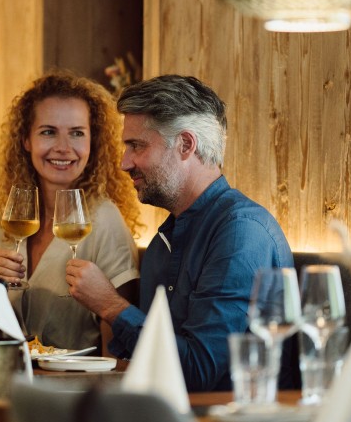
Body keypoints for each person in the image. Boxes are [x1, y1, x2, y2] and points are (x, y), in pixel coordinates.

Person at [67, 74, 294, 391]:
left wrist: (110, 305)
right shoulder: (163, 241)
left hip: (224, 418)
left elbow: (197, 372)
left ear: (186, 145)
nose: (124, 163)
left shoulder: (240, 232)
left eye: (136, 146)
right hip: (163, 411)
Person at [0, 71, 141, 351]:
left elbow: (117, 352)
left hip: (78, 378)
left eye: (77, 133)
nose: (63, 148)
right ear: (26, 140)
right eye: (48, 132)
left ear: (93, 142)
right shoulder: (10, 218)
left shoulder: (104, 221)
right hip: (11, 373)